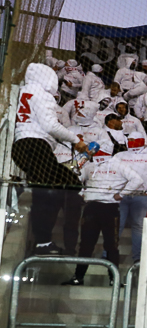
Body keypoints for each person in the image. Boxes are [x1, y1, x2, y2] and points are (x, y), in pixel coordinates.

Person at [12, 63, 89, 255]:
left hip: (22, 145)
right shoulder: (43, 95)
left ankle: (44, 238)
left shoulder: (22, 91)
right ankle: (43, 242)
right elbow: (50, 126)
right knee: (45, 195)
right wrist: (75, 140)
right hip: (36, 146)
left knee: (66, 183)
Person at [61, 146, 145, 286]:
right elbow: (75, 176)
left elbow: (137, 180)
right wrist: (82, 192)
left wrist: (121, 194)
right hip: (91, 207)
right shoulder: (89, 164)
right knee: (86, 245)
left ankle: (114, 279)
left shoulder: (119, 164)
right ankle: (78, 277)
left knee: (111, 245)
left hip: (110, 207)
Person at [109, 132, 147, 261]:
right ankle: (109, 254)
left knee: (138, 226)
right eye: (129, 140)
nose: (131, 142)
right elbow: (111, 171)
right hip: (120, 196)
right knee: (117, 225)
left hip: (141, 196)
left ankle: (138, 258)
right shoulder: (119, 156)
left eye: (134, 140)